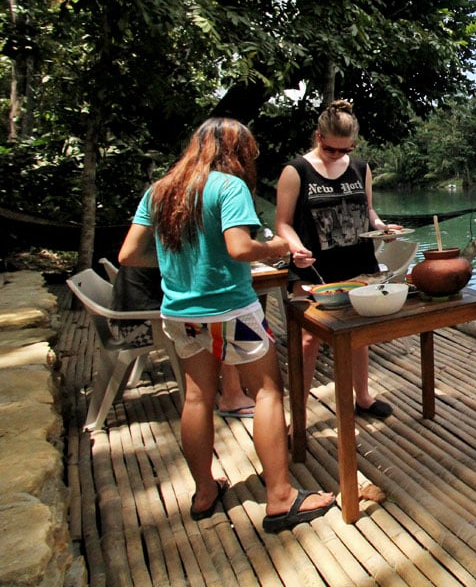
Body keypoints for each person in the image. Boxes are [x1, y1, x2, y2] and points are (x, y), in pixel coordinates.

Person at [119, 117, 335, 533]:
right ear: (237, 153)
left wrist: (179, 265)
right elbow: (239, 248)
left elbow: (129, 254)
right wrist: (276, 246)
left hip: (180, 314)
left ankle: (204, 493)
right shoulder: (229, 186)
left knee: (197, 398)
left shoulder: (161, 190)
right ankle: (280, 498)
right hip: (231, 311)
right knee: (268, 391)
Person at [275, 100, 404, 419]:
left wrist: (381, 227)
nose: (339, 156)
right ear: (318, 137)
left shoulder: (360, 167)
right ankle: (299, 416)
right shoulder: (296, 170)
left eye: (346, 149)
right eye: (332, 150)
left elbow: (368, 212)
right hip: (314, 269)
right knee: (307, 341)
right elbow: (283, 223)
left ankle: (363, 398)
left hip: (360, 265)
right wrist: (295, 248)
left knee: (359, 334)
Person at [112, 264, 256, 418]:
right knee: (223, 320)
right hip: (141, 326)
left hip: (129, 320)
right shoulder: (173, 243)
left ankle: (222, 392)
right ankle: (232, 395)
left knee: (214, 320)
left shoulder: (160, 243)